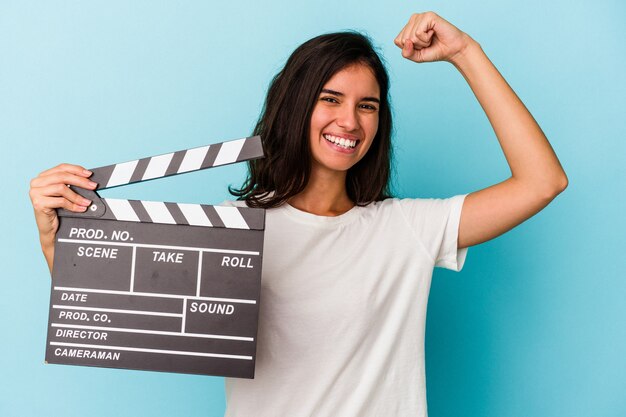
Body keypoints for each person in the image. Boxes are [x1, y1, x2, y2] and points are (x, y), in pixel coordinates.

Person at [29, 12, 567, 417]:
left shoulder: (407, 229)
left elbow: (543, 182)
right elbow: (127, 323)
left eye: (367, 105)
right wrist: (56, 241)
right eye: (329, 99)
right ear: (296, 106)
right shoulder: (230, 231)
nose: (349, 121)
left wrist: (465, 52)